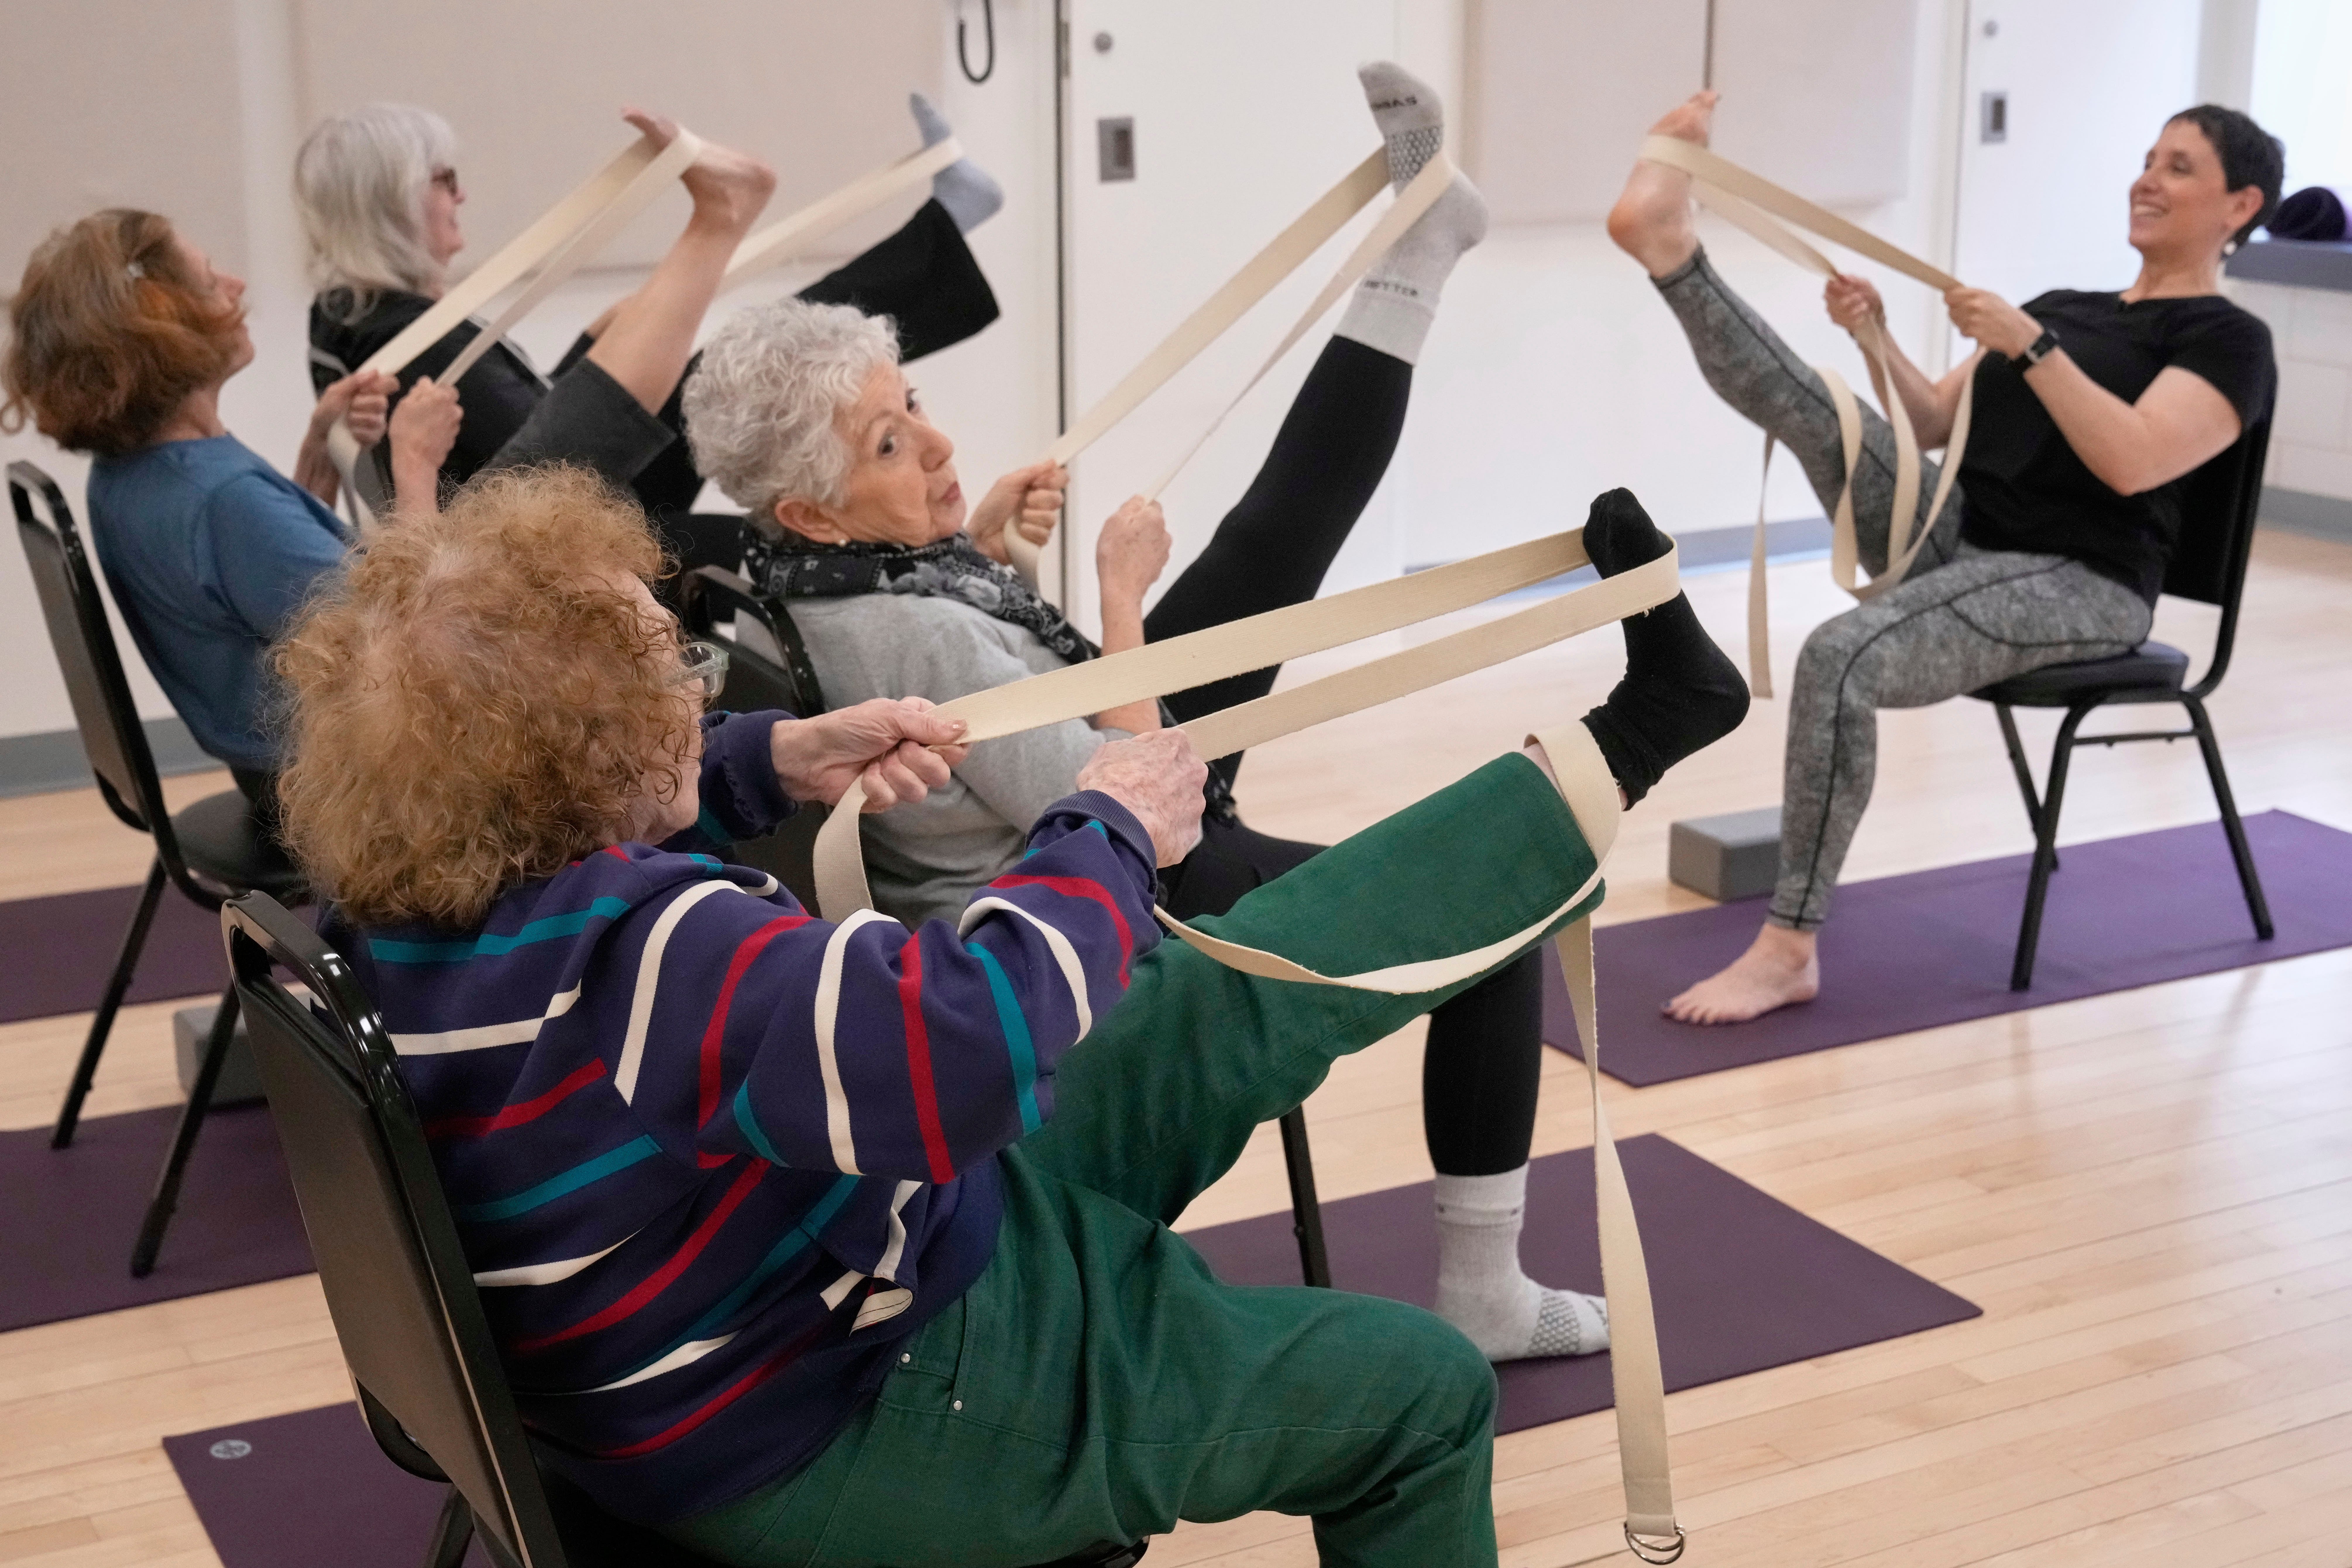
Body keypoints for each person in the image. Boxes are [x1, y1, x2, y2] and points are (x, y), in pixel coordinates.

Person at [271, 461, 1738, 1565]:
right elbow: (953, 1052)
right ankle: (1628, 748)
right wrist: (1103, 825)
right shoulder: (650, 952)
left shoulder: (414, 901)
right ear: (577, 756)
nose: (694, 679)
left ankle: (1637, 732)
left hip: (829, 1276)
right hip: (853, 1394)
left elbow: (630, 817)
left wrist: (764, 755)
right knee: (1416, 1391)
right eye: (671, 671)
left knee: (1219, 986)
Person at [684, 63, 1749, 1363]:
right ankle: (1486, 1292)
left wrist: (992, 552)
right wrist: (1118, 603)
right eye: (891, 446)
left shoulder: (796, 579)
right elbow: (1140, 811)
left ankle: (1419, 250)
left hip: (1047, 819)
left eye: (912, 407)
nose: (937, 443)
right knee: (1493, 924)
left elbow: (954, 678)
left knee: (1270, 540)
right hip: (1115, 905)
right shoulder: (917, 630)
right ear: (809, 507)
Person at [1606, 93, 2281, 1024]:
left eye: (2179, 167)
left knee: (1839, 654)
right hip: (1960, 530)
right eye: (2148, 159)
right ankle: (1669, 245)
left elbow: (2134, 460)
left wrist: (2031, 346)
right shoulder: (2066, 307)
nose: (2147, 179)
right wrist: (1873, 335)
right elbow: (1929, 424)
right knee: (1821, 408)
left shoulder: (2228, 341)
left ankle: (1788, 949)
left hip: (2085, 583)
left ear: (2240, 206)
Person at [0, 112, 775, 827]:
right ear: (162, 335)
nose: (236, 289)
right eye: (211, 282)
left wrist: (315, 458)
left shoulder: (145, 476)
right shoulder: (220, 498)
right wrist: (413, 468)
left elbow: (267, 594)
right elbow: (415, 640)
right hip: (365, 778)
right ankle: (717, 226)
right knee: (551, 491)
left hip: (296, 758)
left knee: (549, 477)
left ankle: (716, 228)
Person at [296, 96, 1004, 579]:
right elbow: (558, 447)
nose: (462, 196)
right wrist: (600, 357)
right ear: (389, 202)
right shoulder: (417, 336)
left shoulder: (345, 314)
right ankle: (932, 224)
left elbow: (508, 431)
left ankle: (947, 221)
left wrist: (586, 344)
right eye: (444, 180)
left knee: (761, 357)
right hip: (587, 531)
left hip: (562, 513)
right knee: (769, 367)